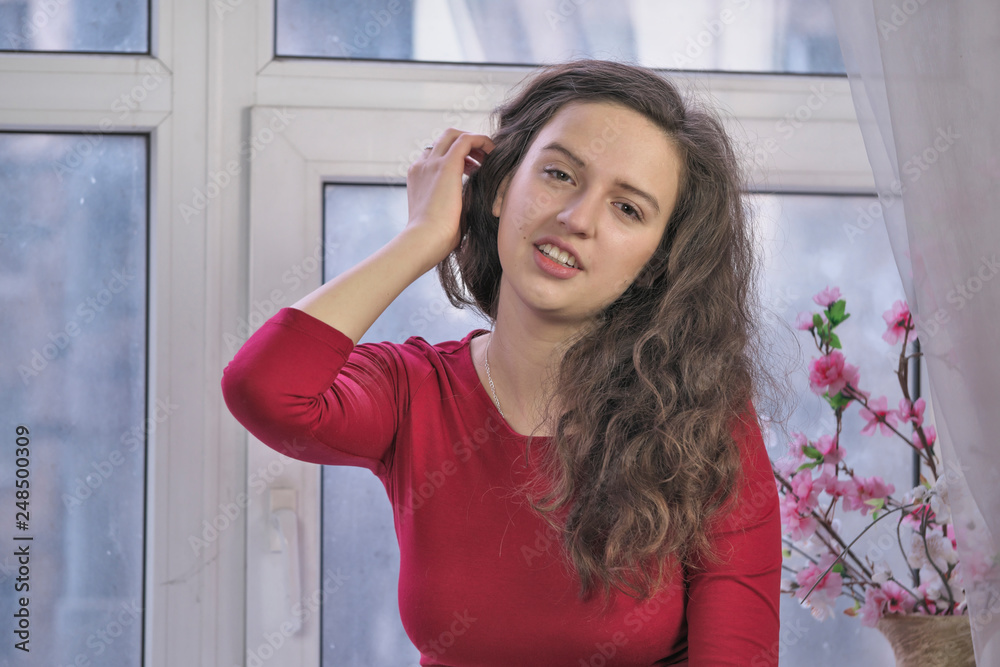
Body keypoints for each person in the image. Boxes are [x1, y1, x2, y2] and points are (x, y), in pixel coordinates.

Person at [222, 59, 781, 666]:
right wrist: (422, 239)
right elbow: (264, 389)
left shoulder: (702, 418)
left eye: (628, 209)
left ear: (653, 262)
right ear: (500, 188)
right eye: (560, 174)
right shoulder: (413, 392)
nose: (577, 218)